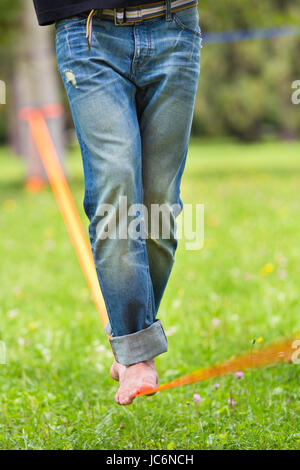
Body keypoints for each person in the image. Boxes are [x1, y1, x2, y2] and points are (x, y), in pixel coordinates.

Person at [33, 0, 202, 405]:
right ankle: (137, 355)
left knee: (161, 208)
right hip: (89, 34)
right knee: (116, 192)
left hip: (174, 24)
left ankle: (131, 338)